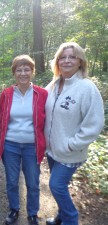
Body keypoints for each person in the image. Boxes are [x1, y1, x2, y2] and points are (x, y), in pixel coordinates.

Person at [44, 42, 104, 225]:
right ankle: (61, 217)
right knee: (59, 186)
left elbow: (95, 124)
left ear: (80, 62)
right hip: (52, 150)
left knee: (56, 185)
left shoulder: (86, 88)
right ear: (57, 61)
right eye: (63, 57)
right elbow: (38, 103)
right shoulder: (54, 84)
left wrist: (72, 144)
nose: (67, 60)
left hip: (70, 151)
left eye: (72, 56)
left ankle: (70, 218)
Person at [0, 55, 47, 225]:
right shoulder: (6, 94)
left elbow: (47, 120)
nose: (23, 73)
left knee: (32, 182)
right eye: (19, 70)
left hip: (32, 147)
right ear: (14, 73)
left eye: (27, 69)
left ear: (32, 72)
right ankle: (14, 209)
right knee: (12, 181)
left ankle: (32, 213)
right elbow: (3, 119)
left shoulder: (42, 94)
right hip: (10, 145)